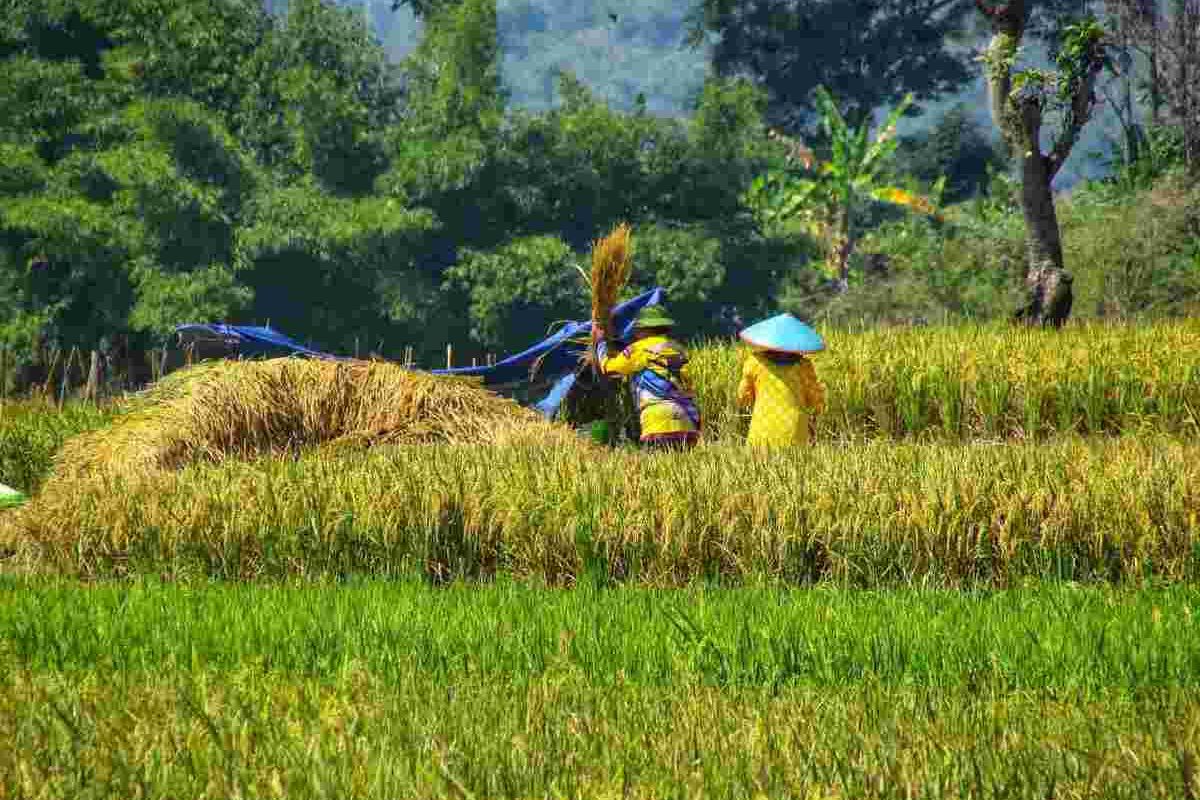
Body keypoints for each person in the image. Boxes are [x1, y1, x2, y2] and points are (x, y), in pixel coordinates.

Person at [593, 304, 701, 450]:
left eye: (637, 329)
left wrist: (600, 342)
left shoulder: (639, 348)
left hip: (658, 419)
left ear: (644, 329)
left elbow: (609, 368)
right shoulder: (679, 349)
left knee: (659, 467)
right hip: (688, 418)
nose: (635, 333)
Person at [736, 313, 826, 447]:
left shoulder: (755, 363)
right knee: (796, 464)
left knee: (759, 465)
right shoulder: (804, 366)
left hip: (762, 428)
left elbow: (743, 397)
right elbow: (815, 400)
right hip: (795, 430)